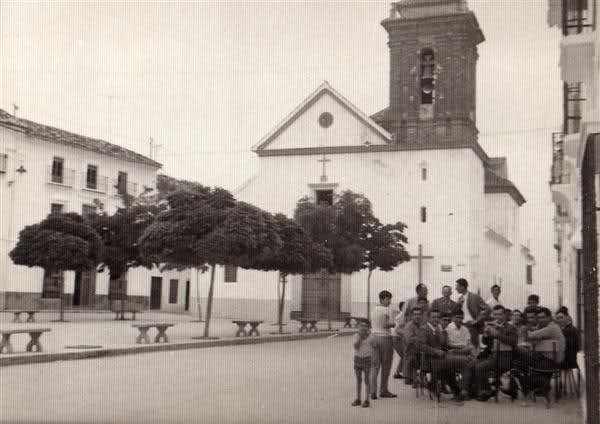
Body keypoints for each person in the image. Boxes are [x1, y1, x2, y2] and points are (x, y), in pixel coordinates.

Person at [413, 308, 473, 402]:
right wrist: (435, 351)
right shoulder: (424, 329)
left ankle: (457, 391)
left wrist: (449, 350)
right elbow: (420, 345)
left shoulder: (438, 329)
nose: (436, 319)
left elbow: (443, 346)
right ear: (428, 318)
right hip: (431, 360)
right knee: (465, 361)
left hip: (440, 359)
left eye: (437, 317)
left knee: (457, 364)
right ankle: (463, 391)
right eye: (433, 317)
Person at [514, 307, 566, 397]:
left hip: (550, 362)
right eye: (539, 318)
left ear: (550, 317)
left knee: (518, 360)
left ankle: (530, 384)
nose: (540, 320)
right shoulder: (552, 327)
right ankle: (534, 384)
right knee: (521, 360)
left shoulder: (552, 328)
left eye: (543, 317)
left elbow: (530, 335)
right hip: (551, 360)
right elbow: (537, 339)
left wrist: (524, 328)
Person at [472, 305, 518, 401]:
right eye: (496, 315)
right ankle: (485, 389)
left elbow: (513, 342)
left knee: (480, 367)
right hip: (494, 355)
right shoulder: (492, 325)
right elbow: (486, 343)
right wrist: (486, 335)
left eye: (500, 314)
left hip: (505, 357)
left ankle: (487, 391)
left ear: (505, 315)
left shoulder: (510, 327)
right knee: (474, 364)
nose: (498, 317)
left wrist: (497, 335)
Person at [370, 290, 397, 399]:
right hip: (385, 338)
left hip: (374, 337)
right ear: (382, 299)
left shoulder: (374, 309)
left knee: (375, 366)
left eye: (390, 298)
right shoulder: (387, 310)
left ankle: (372, 391)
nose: (389, 301)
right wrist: (395, 323)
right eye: (388, 298)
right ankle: (383, 390)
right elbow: (386, 324)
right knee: (386, 366)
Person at [455, 278, 490, 347]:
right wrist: (458, 304)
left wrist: (477, 320)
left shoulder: (474, 297)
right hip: (462, 325)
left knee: (473, 345)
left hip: (472, 326)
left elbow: (488, 309)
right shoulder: (459, 299)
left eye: (457, 286)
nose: (456, 288)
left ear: (463, 287)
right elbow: (457, 312)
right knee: (464, 345)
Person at [352, 320, 375, 408]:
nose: (363, 328)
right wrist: (360, 338)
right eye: (361, 326)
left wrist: (373, 357)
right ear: (358, 327)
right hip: (358, 359)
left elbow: (374, 346)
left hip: (367, 360)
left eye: (365, 326)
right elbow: (356, 346)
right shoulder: (356, 336)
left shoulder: (371, 337)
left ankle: (367, 399)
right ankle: (358, 398)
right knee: (358, 380)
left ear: (369, 328)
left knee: (367, 380)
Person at [402, 307, 424, 386]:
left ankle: (417, 378)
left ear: (422, 315)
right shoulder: (409, 325)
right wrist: (420, 338)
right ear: (412, 316)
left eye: (419, 314)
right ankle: (412, 378)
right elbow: (409, 340)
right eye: (415, 314)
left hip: (419, 350)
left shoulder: (422, 324)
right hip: (411, 351)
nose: (417, 316)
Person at [392, 301, 406, 379]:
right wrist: (406, 335)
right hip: (397, 338)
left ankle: (397, 373)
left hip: (398, 338)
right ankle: (406, 373)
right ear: (402, 308)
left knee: (404, 355)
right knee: (405, 355)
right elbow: (397, 330)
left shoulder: (402, 315)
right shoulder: (402, 316)